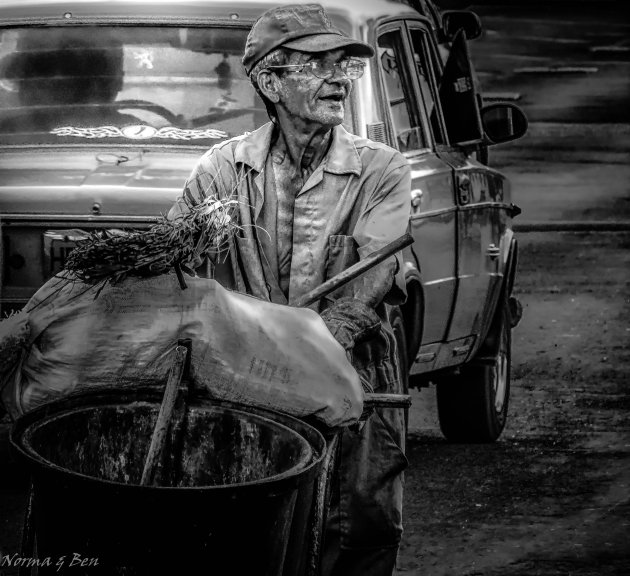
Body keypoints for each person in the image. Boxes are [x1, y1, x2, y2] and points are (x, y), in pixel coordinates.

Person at [168, 4, 411, 575]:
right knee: (254, 519)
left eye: (343, 67)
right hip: (250, 379)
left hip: (351, 372)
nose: (338, 80)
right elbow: (178, 255)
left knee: (358, 525)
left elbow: (378, 263)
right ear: (271, 81)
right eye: (316, 65)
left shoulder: (381, 169)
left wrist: (329, 337)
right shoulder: (223, 170)